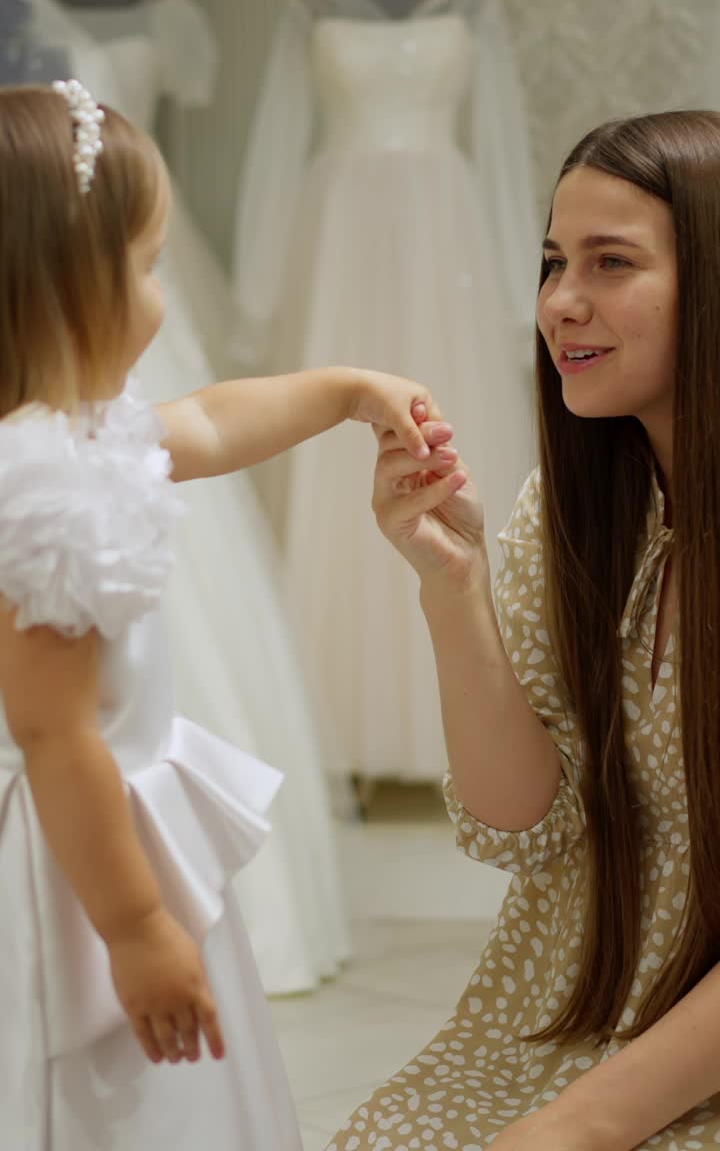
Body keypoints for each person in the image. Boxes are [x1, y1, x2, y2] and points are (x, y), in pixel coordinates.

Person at [0, 79, 452, 1151]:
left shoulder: (86, 432)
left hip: (113, 823)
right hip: (82, 860)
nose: (161, 297)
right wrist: (138, 923)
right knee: (122, 1091)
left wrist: (346, 390)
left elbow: (207, 418)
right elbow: (56, 733)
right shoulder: (41, 484)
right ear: (66, 280)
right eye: (149, 266)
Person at [329, 110, 720, 1150]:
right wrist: (450, 588)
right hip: (582, 1016)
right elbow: (523, 825)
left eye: (611, 261)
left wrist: (577, 1128)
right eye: (552, 262)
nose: (562, 303)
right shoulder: (582, 506)